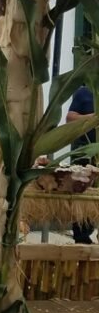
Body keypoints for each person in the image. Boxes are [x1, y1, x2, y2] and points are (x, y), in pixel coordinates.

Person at [67, 85, 95, 244]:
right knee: (82, 194)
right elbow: (70, 118)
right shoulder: (84, 92)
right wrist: (94, 117)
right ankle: (82, 235)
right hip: (83, 152)